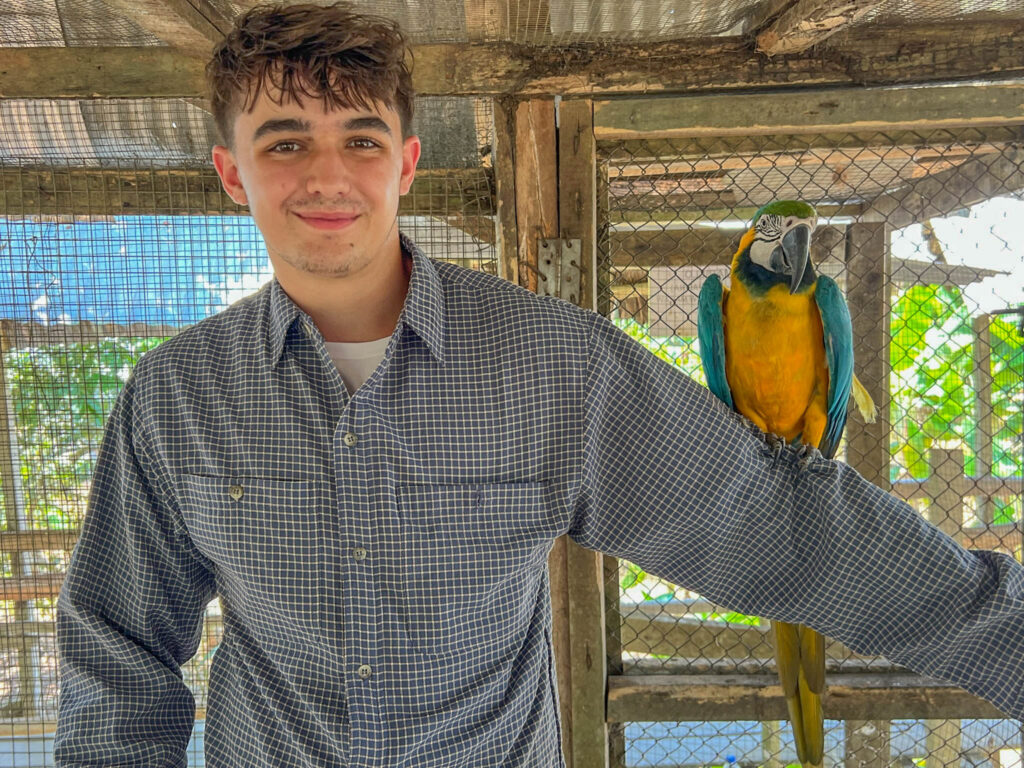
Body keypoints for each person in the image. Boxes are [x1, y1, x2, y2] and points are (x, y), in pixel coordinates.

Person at [55, 3, 1024, 767]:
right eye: (283, 142)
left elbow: (767, 513)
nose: (326, 175)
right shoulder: (173, 400)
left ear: (406, 163)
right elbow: (117, 662)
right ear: (232, 172)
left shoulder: (547, 364)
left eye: (359, 138)